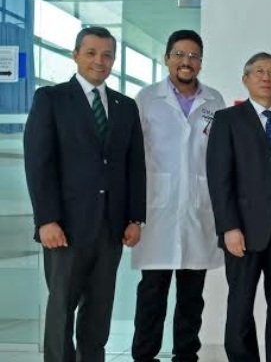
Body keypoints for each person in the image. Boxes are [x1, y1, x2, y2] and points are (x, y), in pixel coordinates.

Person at [23, 26, 146, 361]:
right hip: (66, 227)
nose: (99, 61)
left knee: (99, 311)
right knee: (62, 307)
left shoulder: (125, 106)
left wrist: (136, 217)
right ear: (75, 55)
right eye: (91, 53)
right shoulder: (51, 99)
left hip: (110, 226)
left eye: (107, 54)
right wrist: (46, 219)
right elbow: (39, 163)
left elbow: (134, 165)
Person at [130, 30, 225, 362]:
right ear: (167, 58)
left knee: (192, 296)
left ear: (201, 61)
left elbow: (219, 158)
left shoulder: (214, 100)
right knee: (152, 293)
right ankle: (144, 356)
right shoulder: (146, 98)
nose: (187, 61)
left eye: (194, 55)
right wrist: (133, 213)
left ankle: (186, 356)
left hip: (199, 210)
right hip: (158, 210)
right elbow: (134, 158)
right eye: (180, 54)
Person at [206, 52, 271, 362]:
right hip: (243, 231)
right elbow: (218, 178)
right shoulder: (226, 120)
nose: (266, 77)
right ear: (245, 79)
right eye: (259, 71)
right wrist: (228, 227)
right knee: (240, 305)